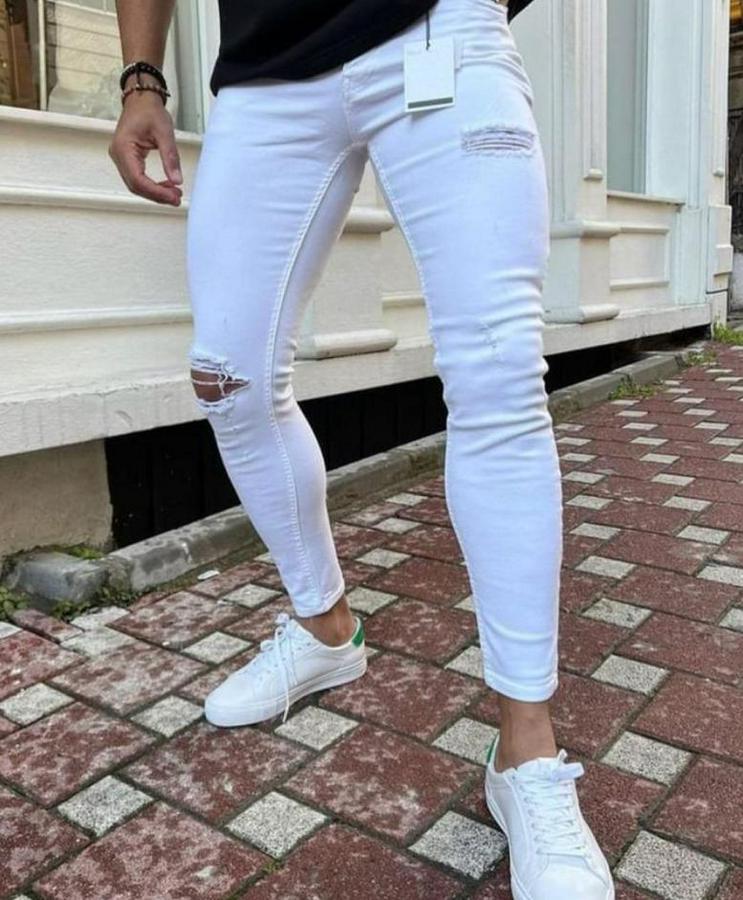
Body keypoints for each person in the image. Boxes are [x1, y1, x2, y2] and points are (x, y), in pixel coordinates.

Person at [109, 1, 615, 897]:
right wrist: (141, 78)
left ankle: (526, 755)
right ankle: (323, 629)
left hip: (435, 30)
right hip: (265, 69)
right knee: (227, 375)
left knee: (497, 374)